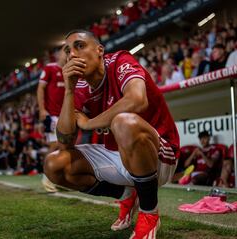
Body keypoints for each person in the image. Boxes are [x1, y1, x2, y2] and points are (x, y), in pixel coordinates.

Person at [44, 30, 180, 239]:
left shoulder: (120, 61)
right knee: (55, 164)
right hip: (118, 155)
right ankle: (127, 194)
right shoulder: (79, 87)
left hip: (160, 155)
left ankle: (149, 212)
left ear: (99, 50)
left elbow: (137, 100)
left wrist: (90, 123)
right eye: (68, 51)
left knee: (124, 121)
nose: (72, 54)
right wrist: (69, 91)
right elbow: (65, 141)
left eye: (79, 46)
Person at [37, 46, 66, 192]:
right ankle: (47, 177)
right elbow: (40, 88)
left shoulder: (68, 70)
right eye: (64, 51)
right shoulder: (49, 68)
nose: (67, 53)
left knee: (64, 146)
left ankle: (61, 179)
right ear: (57, 54)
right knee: (54, 144)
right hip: (52, 114)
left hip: (65, 115)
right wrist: (42, 109)